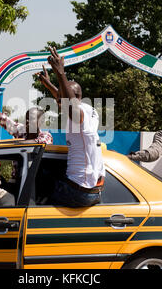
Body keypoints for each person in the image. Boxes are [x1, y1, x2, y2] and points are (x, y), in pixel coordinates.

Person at [43, 47, 105, 207]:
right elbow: (64, 97)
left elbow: (69, 103)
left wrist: (60, 73)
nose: (58, 102)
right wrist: (49, 84)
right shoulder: (90, 111)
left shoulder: (79, 114)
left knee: (39, 187)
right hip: (94, 189)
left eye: (61, 98)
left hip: (79, 192)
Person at [0, 78, 53, 144]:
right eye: (26, 118)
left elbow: (33, 143)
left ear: (41, 122)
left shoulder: (46, 136)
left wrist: (12, 143)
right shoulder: (21, 131)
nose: (27, 121)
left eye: (31, 118)